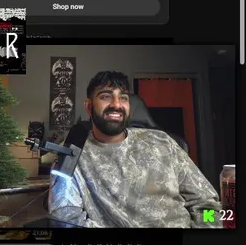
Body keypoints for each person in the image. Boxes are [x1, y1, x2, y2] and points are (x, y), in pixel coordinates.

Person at [49, 70, 223, 228]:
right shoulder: (73, 156)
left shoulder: (163, 142)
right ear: (89, 107)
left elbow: (207, 203)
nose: (116, 104)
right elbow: (65, 217)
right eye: (106, 96)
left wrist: (207, 229)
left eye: (123, 98)